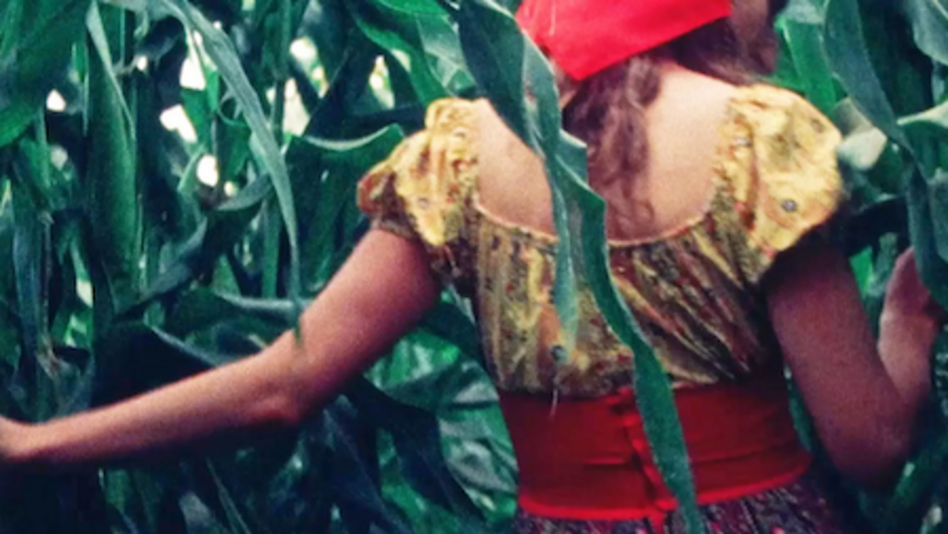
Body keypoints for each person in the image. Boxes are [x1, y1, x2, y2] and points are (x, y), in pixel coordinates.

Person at [0, 0, 943, 532]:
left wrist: (32, 445)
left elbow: (283, 385)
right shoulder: (759, 145)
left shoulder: (460, 158)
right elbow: (868, 446)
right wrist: (909, 321)